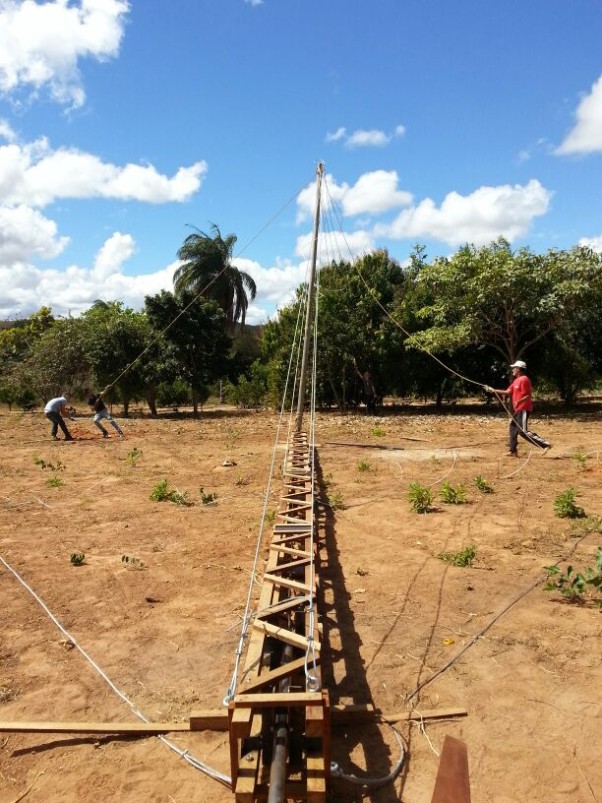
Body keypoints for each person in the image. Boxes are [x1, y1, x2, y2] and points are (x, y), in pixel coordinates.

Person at [486, 360, 551, 457]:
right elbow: (508, 392)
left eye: (514, 368)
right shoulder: (516, 381)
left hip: (523, 408)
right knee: (513, 427)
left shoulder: (524, 379)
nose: (512, 370)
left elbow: (528, 395)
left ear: (519, 369)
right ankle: (513, 451)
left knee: (522, 431)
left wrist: (519, 401)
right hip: (518, 410)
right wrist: (493, 390)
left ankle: (545, 444)